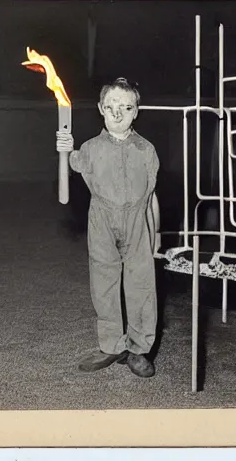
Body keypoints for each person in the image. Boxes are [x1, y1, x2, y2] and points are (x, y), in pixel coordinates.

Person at [56, 77, 160, 378]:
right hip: (101, 221)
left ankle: (139, 348)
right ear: (101, 109)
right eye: (111, 107)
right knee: (104, 283)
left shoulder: (146, 150)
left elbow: (152, 196)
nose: (118, 114)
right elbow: (70, 164)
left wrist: (158, 234)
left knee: (141, 286)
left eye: (126, 107)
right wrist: (64, 147)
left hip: (138, 223)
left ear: (136, 111)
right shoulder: (90, 149)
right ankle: (111, 345)